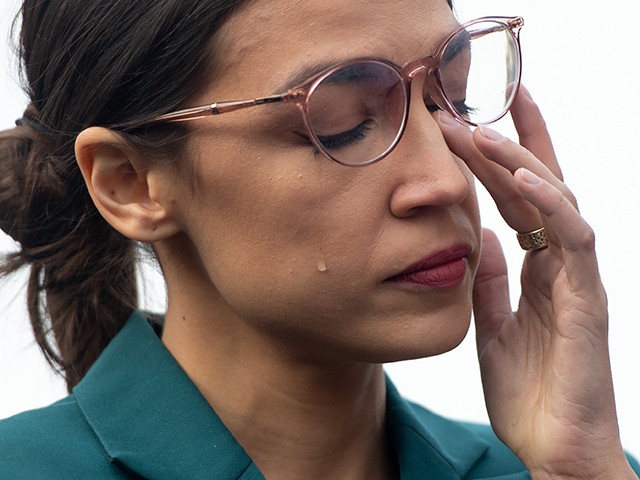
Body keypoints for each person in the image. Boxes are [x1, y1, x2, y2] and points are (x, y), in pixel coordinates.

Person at [0, 0, 638, 478]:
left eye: (450, 98)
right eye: (342, 124)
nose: (445, 179)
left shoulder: (565, 466)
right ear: (130, 183)